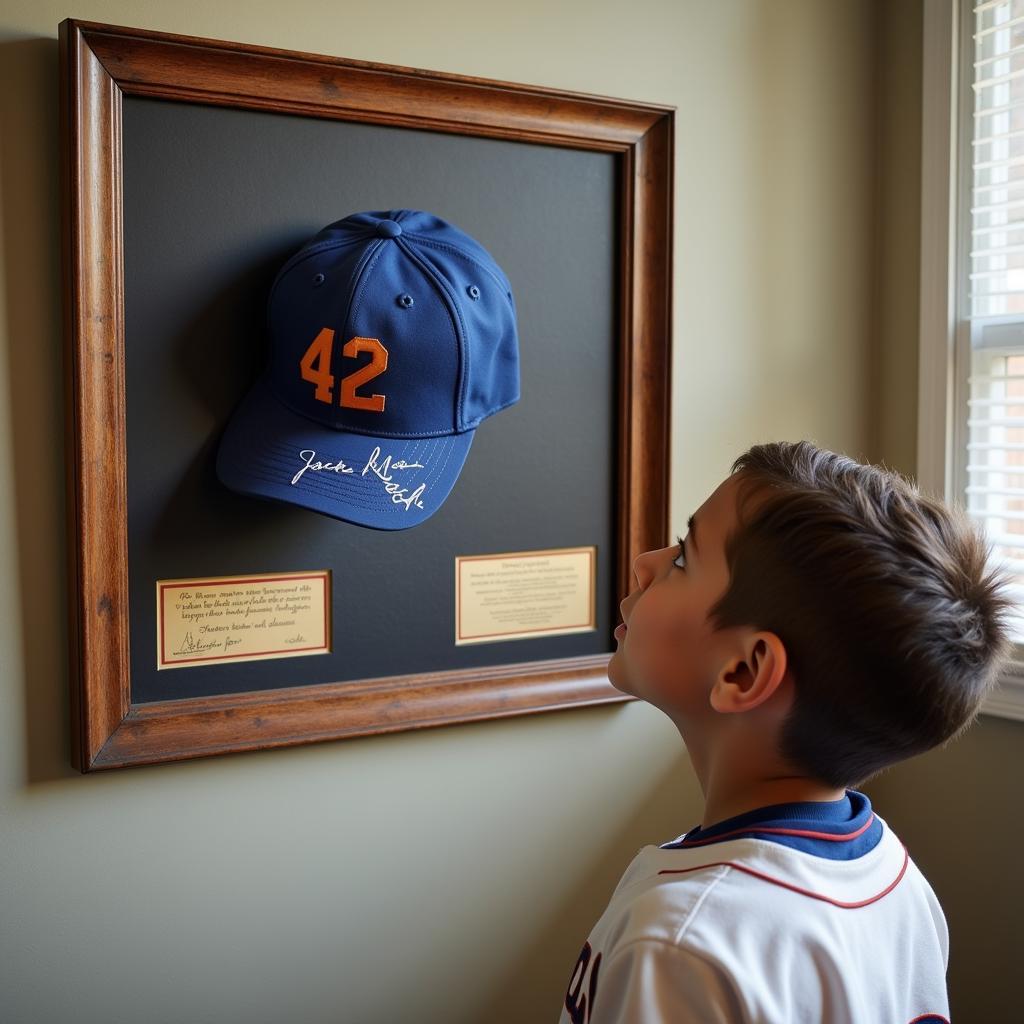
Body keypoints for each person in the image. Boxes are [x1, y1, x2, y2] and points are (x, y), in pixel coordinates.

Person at [559, 441, 1011, 1024]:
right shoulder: (895, 880)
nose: (647, 561)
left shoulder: (679, 943)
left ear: (743, 672)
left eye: (681, 560)